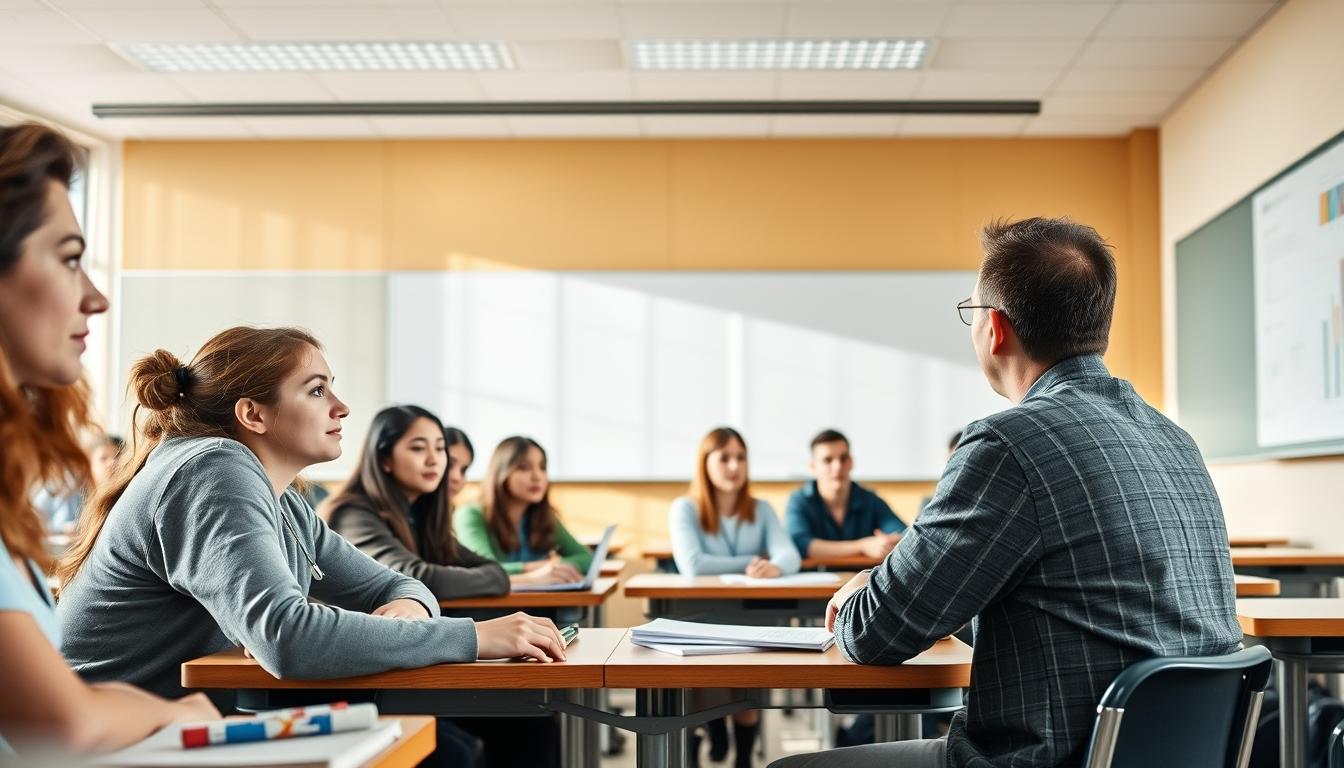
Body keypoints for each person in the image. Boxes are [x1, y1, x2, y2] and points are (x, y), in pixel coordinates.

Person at [770, 217, 1241, 768]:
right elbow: (1078, 607)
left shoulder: (1006, 445)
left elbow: (878, 633)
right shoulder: (1175, 441)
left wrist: (862, 595)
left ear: (994, 328)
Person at [55, 328, 567, 744]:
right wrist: (473, 636)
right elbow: (289, 638)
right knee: (460, 746)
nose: (341, 407)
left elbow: (399, 587)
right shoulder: (212, 471)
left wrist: (410, 608)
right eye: (317, 390)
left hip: (182, 724)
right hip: (110, 741)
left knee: (459, 740)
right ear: (253, 414)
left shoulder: (284, 499)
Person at [0, 122, 219, 753]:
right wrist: (167, 713)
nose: (95, 297)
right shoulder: (211, 473)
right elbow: (60, 724)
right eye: (69, 259)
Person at [670, 427, 801, 768]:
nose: (734, 466)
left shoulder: (760, 509)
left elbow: (791, 556)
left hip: (749, 618)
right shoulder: (685, 508)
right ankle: (708, 731)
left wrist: (775, 567)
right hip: (699, 616)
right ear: (705, 463)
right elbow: (693, 565)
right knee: (704, 677)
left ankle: (743, 757)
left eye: (740, 458)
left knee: (747, 678)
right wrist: (753, 562)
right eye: (724, 458)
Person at [322, 406, 508, 600]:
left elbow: (497, 574)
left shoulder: (420, 513)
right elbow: (415, 579)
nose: (433, 460)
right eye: (418, 448)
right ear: (385, 459)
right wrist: (487, 578)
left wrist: (493, 577)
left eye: (439, 448)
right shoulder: (353, 514)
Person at [454, 436, 592, 587]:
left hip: (537, 603)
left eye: (542, 467)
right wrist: (536, 569)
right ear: (502, 473)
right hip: (491, 607)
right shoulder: (470, 514)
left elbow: (586, 559)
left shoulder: (544, 516)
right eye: (524, 468)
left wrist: (555, 566)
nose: (537, 476)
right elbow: (484, 570)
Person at [784, 429, 905, 563]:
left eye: (843, 458)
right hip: (815, 578)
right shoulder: (799, 501)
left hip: (863, 579)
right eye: (828, 460)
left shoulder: (870, 499)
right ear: (813, 466)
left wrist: (889, 542)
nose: (837, 466)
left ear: (851, 462)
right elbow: (800, 544)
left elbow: (903, 534)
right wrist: (863, 545)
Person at [32, 433, 124, 533]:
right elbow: (33, 517)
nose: (112, 463)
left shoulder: (125, 495)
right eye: (103, 458)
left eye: (117, 456)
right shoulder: (69, 488)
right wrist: (63, 528)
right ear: (89, 463)